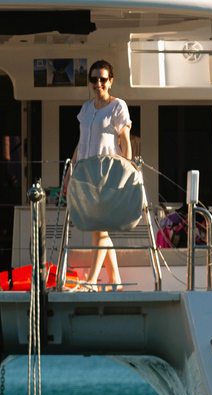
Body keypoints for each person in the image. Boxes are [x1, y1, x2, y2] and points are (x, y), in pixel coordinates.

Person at [71, 59, 132, 291]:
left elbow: (125, 141)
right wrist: (70, 171)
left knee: (100, 227)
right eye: (94, 79)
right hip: (86, 175)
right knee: (100, 228)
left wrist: (128, 173)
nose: (98, 83)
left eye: (103, 79)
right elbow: (81, 142)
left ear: (111, 81)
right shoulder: (86, 109)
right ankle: (115, 279)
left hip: (107, 175)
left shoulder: (118, 106)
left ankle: (92, 280)